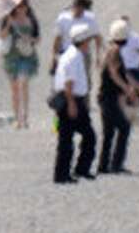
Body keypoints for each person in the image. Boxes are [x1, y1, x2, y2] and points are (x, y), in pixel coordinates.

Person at [92, 20, 139, 175]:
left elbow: (123, 73)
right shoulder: (115, 51)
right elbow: (115, 74)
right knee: (123, 128)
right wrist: (127, 89)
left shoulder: (113, 50)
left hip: (107, 96)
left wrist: (134, 87)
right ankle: (115, 164)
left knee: (109, 132)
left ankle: (104, 165)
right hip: (109, 97)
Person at [52, 22, 97, 183]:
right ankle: (65, 173)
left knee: (78, 137)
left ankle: (77, 170)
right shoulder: (73, 56)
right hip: (71, 100)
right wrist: (71, 104)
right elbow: (69, 82)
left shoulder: (73, 54)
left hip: (74, 100)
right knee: (72, 139)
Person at [0, 0, 40, 129]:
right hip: (11, 57)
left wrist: (29, 39)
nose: (21, 9)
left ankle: (25, 117)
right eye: (18, 6)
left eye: (23, 6)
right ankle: (17, 118)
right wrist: (8, 24)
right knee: (14, 89)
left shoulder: (31, 20)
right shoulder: (9, 19)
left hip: (26, 55)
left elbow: (37, 38)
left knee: (23, 83)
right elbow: (1, 37)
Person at [50, 0, 96, 69]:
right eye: (79, 8)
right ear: (75, 7)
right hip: (66, 54)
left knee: (84, 78)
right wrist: (53, 58)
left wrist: (98, 55)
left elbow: (95, 36)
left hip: (83, 55)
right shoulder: (63, 19)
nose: (81, 12)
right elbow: (57, 38)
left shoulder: (89, 18)